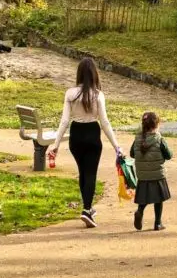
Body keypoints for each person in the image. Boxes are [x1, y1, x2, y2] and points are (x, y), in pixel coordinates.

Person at [49, 57, 122, 228]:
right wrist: (116, 146)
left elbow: (64, 121)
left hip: (76, 135)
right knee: (91, 173)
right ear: (95, 74)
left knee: (83, 172)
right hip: (92, 133)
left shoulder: (70, 93)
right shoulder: (98, 95)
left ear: (79, 74)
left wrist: (56, 144)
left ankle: (87, 207)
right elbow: (104, 122)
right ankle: (87, 210)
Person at [130, 110, 173, 232]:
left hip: (143, 175)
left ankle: (140, 211)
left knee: (144, 198)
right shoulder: (159, 139)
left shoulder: (137, 138)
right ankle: (157, 223)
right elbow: (169, 155)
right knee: (158, 199)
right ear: (157, 125)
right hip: (157, 174)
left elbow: (132, 154)